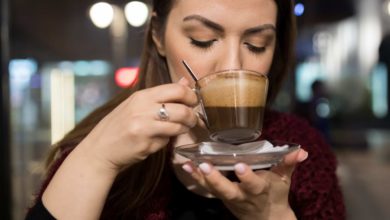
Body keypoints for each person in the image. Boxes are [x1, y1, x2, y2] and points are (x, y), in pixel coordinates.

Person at [26, 0, 345, 219]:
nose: (233, 66)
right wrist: (96, 161)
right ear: (158, 36)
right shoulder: (101, 147)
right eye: (203, 40)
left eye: (257, 44)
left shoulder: (304, 154)